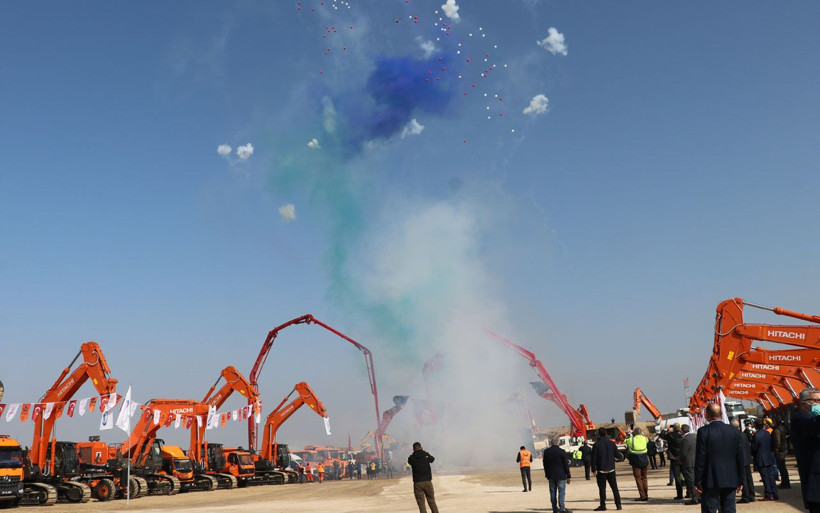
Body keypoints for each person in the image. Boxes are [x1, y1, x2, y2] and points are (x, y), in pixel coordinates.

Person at [694, 403, 744, 513]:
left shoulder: (703, 431)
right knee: (729, 510)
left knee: (709, 509)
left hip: (710, 479)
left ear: (706, 415)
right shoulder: (734, 431)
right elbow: (740, 457)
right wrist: (741, 479)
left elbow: (700, 458)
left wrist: (697, 481)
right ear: (721, 414)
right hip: (730, 478)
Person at [791, 387, 820, 513]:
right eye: (817, 400)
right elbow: (810, 427)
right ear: (804, 403)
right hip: (816, 482)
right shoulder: (799, 417)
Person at [591, 427, 622, 511]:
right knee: (614, 488)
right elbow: (618, 456)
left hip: (601, 470)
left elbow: (593, 458)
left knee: (602, 489)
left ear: (599, 434)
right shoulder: (612, 444)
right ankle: (618, 505)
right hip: (611, 469)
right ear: (606, 434)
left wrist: (593, 469)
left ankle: (603, 506)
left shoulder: (596, 445)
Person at [408, 442, 439, 513]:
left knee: (421, 504)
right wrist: (424, 452)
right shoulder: (425, 455)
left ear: (413, 449)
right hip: (427, 482)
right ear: (421, 447)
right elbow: (432, 459)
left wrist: (415, 453)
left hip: (418, 483)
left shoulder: (411, 458)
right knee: (431, 501)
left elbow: (409, 461)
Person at [543, 436, 572, 513]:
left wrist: (547, 474)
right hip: (561, 475)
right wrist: (568, 475)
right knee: (561, 492)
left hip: (551, 475)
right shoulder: (562, 451)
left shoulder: (546, 452)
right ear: (558, 442)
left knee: (553, 493)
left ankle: (554, 509)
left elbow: (545, 464)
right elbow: (565, 464)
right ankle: (562, 508)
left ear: (551, 442)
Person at [752, 418, 778, 501]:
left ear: (756, 426)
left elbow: (754, 448)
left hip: (761, 458)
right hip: (769, 456)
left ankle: (768, 494)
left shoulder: (756, 435)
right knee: (770, 476)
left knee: (765, 477)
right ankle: (774, 493)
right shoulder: (767, 433)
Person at [624, 427, 650, 501]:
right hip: (644, 460)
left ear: (634, 433)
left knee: (638, 478)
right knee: (644, 477)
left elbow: (625, 441)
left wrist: (630, 434)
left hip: (635, 461)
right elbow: (647, 440)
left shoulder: (631, 439)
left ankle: (642, 495)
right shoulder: (645, 439)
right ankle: (646, 493)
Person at [660, 423, 684, 500]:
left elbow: (661, 435)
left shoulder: (671, 435)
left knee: (677, 477)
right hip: (684, 458)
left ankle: (679, 494)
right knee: (686, 476)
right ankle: (689, 493)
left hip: (674, 458)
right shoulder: (683, 435)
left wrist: (665, 429)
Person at [733, 419, 755, 504]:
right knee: (749, 478)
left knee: (743, 478)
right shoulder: (743, 434)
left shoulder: (734, 436)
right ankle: (751, 495)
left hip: (740, 459)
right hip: (747, 458)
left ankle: (746, 496)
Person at [679, 424, 699, 505]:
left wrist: (680, 460)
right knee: (695, 480)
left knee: (690, 481)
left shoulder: (686, 439)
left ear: (682, 430)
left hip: (688, 463)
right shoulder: (693, 438)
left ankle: (694, 498)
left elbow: (683, 452)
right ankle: (698, 496)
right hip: (694, 461)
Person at [771, 417, 791, 489]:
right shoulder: (783, 428)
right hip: (784, 448)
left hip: (780, 450)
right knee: (783, 467)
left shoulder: (777, 430)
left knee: (781, 467)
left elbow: (777, 441)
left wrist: (776, 449)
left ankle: (785, 483)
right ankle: (785, 482)